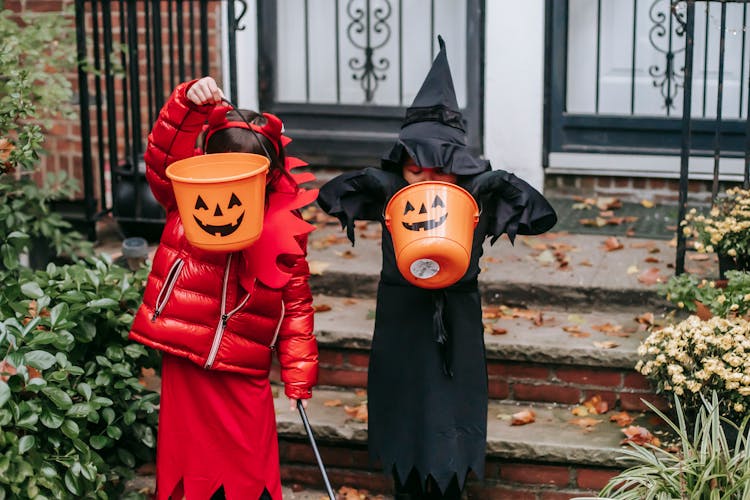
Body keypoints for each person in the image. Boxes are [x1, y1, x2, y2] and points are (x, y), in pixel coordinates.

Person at [317, 37, 557, 500]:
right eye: (414, 169)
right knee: (405, 439)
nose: (426, 181)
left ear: (459, 167)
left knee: (450, 442)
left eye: (440, 169)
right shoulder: (392, 193)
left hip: (457, 327)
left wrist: (496, 182)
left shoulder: (475, 199)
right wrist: (380, 181)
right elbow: (329, 197)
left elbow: (542, 215)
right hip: (401, 322)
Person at [129, 76, 319, 500]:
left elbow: (296, 304)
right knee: (190, 472)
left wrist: (299, 373)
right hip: (188, 358)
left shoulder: (282, 229)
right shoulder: (184, 199)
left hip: (242, 368)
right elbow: (163, 158)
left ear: (268, 178)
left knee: (248, 472)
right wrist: (187, 105)